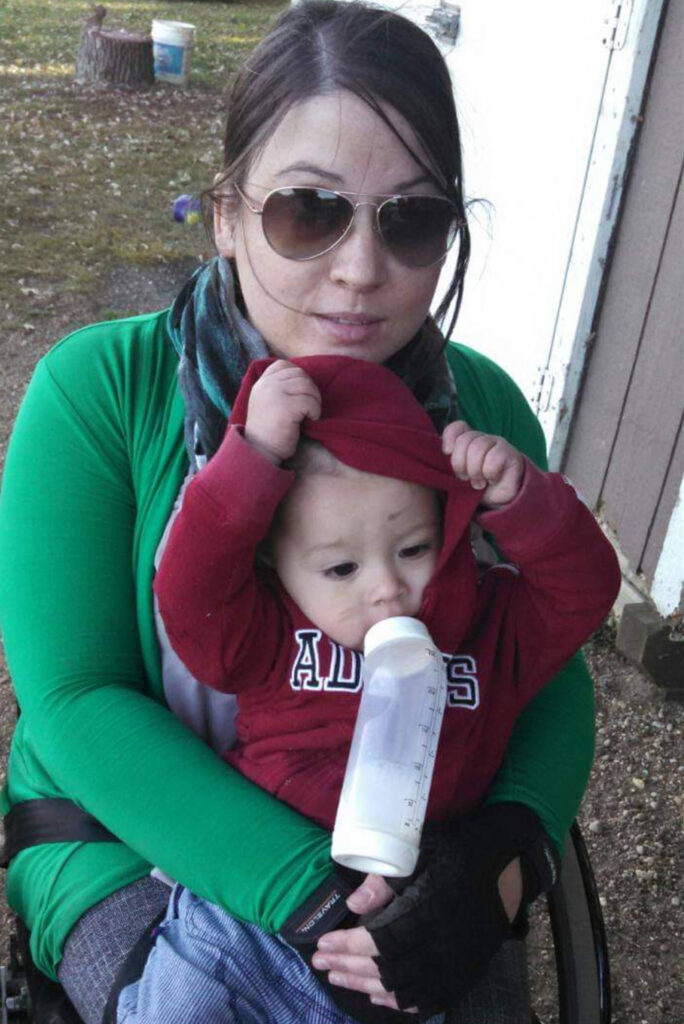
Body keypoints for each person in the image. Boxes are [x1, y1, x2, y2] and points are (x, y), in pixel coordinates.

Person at [0, 2, 610, 1022]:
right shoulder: (99, 391)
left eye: (411, 220)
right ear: (227, 214)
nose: (362, 269)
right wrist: (309, 895)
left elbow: (548, 667)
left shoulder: (486, 413)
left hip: (412, 850)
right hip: (129, 838)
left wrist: (505, 860)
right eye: (308, 211)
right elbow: (76, 698)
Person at [155, 354, 619, 845]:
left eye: (413, 549)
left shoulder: (487, 628)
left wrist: (522, 501)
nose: (387, 587)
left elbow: (584, 591)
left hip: (440, 869)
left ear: (448, 526)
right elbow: (190, 598)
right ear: (272, 557)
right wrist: (254, 457)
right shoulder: (270, 635)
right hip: (277, 860)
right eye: (341, 569)